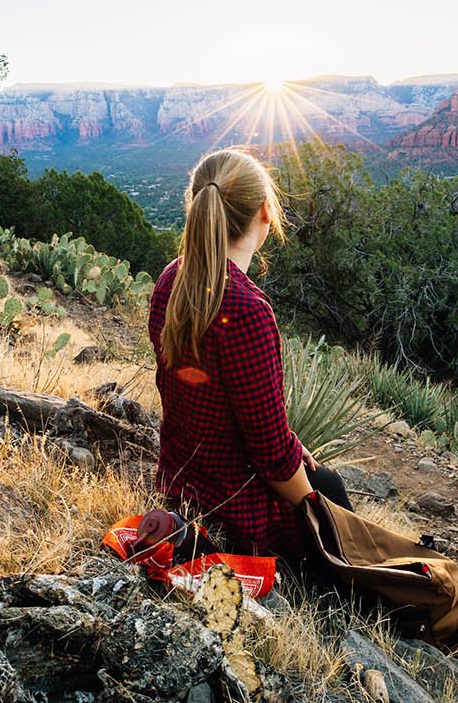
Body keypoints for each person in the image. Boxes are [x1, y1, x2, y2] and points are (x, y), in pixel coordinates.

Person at [146, 147, 353, 563]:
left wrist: (291, 445)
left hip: (180, 485)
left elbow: (213, 405)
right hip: (240, 514)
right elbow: (271, 457)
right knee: (331, 495)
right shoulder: (246, 310)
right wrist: (321, 509)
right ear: (264, 213)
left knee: (319, 478)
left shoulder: (171, 279)